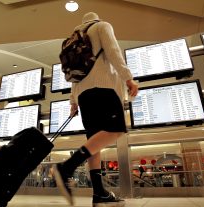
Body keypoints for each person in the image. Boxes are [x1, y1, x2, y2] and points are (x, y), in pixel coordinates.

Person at [53, 12, 139, 207]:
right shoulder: (102, 27)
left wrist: (73, 101)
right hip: (104, 89)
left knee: (94, 145)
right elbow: (113, 51)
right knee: (116, 129)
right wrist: (128, 78)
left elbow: (75, 75)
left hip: (84, 97)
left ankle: (99, 194)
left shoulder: (74, 38)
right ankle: (66, 167)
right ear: (96, 19)